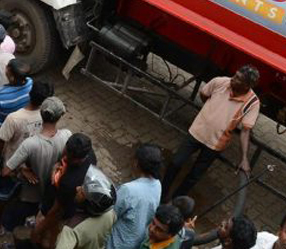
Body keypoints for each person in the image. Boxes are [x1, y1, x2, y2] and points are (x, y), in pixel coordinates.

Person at [162, 65, 261, 199]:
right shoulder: (220, 82)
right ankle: (161, 195)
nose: (233, 79)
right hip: (196, 133)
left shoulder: (253, 103)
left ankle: (176, 202)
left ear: (247, 86)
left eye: (238, 79)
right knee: (175, 163)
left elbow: (245, 131)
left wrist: (244, 158)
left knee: (194, 176)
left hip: (215, 145)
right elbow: (204, 94)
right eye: (235, 75)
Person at [0, 82, 52, 234]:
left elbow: (0, 143)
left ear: (29, 94)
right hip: (33, 165)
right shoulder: (48, 117)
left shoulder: (14, 118)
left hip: (11, 165)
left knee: (6, 196)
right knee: (21, 197)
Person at [0, 97, 71, 234]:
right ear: (60, 116)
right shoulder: (67, 135)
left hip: (30, 195)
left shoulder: (30, 144)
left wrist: (21, 170)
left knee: (16, 223)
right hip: (50, 196)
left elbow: (6, 172)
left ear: (41, 114)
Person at [33, 133, 99, 248]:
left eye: (69, 156)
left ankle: (45, 243)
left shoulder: (70, 181)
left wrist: (39, 229)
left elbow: (56, 210)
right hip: (65, 200)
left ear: (78, 160)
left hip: (61, 207)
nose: (65, 156)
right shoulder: (89, 154)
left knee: (52, 232)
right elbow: (64, 157)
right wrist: (58, 164)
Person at [106, 143, 164, 249]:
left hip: (116, 243)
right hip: (136, 241)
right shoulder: (157, 184)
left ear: (136, 163)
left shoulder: (128, 190)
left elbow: (111, 213)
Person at [55, 167, 118, 249]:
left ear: (88, 204)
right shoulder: (109, 213)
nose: (77, 188)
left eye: (82, 192)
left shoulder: (71, 231)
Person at [0, 59, 33, 151]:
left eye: (7, 68)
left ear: (11, 76)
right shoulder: (30, 83)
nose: (5, 69)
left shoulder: (0, 95)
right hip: (10, 133)